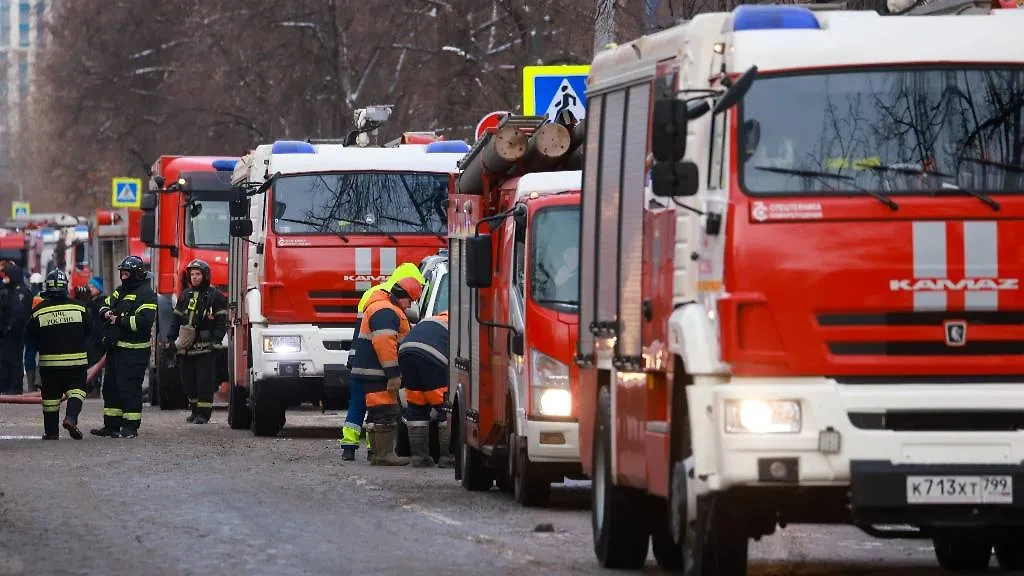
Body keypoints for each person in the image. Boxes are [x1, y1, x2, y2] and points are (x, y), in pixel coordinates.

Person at [340, 262, 426, 461]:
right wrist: (393, 373)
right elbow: (384, 343)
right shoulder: (386, 309)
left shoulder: (373, 296)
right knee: (381, 410)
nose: (410, 305)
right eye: (410, 300)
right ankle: (378, 452)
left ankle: (353, 448)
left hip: (360, 362)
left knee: (361, 406)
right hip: (376, 369)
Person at [90, 256, 157, 439]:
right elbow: (105, 304)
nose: (123, 277)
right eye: (122, 273)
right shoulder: (120, 291)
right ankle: (111, 426)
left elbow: (143, 321)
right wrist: (106, 313)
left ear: (136, 274)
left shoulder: (147, 294)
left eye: (127, 274)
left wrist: (119, 320)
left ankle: (130, 427)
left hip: (134, 352)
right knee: (110, 388)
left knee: (129, 389)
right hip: (116, 349)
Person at [25, 270, 92, 440]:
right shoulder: (79, 307)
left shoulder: (38, 311)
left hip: (49, 365)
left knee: (50, 400)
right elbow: (89, 331)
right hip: (76, 363)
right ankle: (70, 418)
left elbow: (30, 337)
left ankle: (51, 432)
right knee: (77, 391)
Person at [166, 259, 228, 424]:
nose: (194, 277)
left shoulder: (215, 296)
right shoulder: (185, 296)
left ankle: (204, 413)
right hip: (186, 347)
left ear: (205, 275)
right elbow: (176, 320)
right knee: (188, 380)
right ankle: (194, 410)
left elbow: (222, 321)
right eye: (192, 274)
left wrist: (216, 340)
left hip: (205, 347)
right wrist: (170, 340)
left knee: (204, 382)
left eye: (198, 274)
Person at [399, 310, 452, 468]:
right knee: (445, 408)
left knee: (416, 406)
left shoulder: (430, 320)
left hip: (405, 352)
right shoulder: (459, 324)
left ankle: (419, 457)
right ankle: (448, 458)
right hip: (432, 356)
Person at [0, 264, 31, 395]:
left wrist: (8, 328)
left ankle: (14, 387)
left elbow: (19, 313)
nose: (4, 279)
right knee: (4, 360)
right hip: (5, 333)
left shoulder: (21, 292)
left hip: (14, 333)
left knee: (14, 361)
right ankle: (6, 386)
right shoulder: (8, 290)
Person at [77, 277, 107, 397]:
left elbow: (97, 312)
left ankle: (95, 388)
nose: (90, 288)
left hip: (97, 339)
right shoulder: (89, 302)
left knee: (95, 363)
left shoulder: (102, 301)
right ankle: (88, 387)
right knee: (87, 362)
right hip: (88, 338)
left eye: (93, 287)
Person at [23, 272, 44, 392]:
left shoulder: (28, 294)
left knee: (30, 356)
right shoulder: (44, 295)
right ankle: (39, 380)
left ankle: (31, 385)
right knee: (44, 355)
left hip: (30, 330)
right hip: (42, 330)